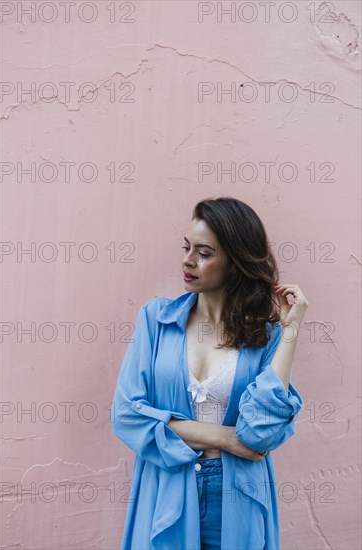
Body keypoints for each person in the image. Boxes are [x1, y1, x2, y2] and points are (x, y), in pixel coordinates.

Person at [111, 196, 307, 550]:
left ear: (235, 261)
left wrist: (290, 332)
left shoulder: (266, 338)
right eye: (187, 247)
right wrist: (225, 438)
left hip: (238, 498)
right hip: (166, 490)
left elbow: (260, 434)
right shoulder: (156, 321)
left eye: (204, 253)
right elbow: (127, 415)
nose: (187, 260)